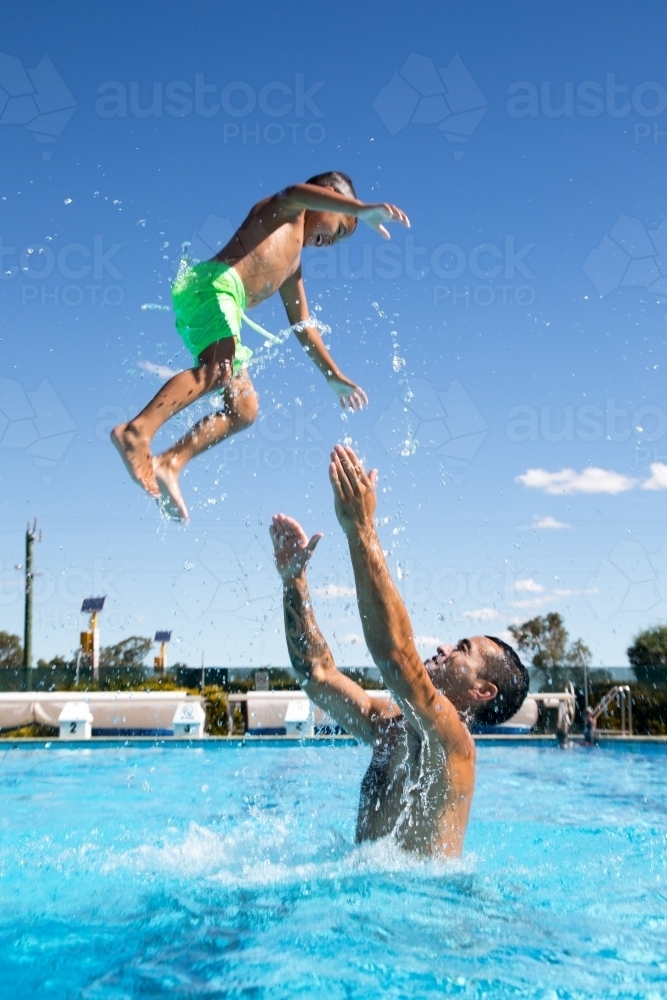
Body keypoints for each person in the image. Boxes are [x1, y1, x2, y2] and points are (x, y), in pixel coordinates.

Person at [269, 444, 529, 857]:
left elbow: (397, 658)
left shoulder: (455, 745)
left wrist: (361, 528)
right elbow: (316, 677)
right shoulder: (390, 726)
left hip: (427, 910)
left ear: (483, 690)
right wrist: (294, 582)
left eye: (463, 649)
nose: (444, 647)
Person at [111, 172, 410, 521]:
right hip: (214, 288)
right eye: (341, 229)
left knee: (244, 409)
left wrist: (333, 375)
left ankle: (169, 463)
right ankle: (137, 432)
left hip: (223, 308)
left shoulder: (294, 265)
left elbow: (303, 327)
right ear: (327, 195)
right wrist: (362, 208)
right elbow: (297, 191)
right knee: (221, 370)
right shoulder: (287, 208)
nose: (332, 242)